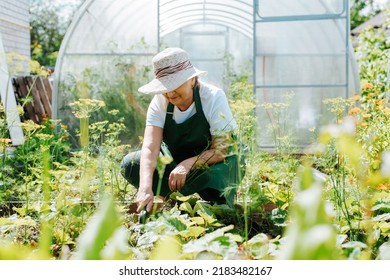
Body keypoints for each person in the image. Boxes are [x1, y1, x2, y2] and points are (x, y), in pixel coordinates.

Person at [121, 47, 240, 213]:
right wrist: (144, 187)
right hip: (174, 163)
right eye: (164, 88)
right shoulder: (159, 102)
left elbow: (221, 150)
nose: (170, 93)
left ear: (192, 80)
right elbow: (150, 147)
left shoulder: (213, 98)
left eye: (175, 85)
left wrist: (188, 163)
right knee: (131, 163)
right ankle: (160, 196)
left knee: (214, 192)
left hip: (210, 165)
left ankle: (207, 201)